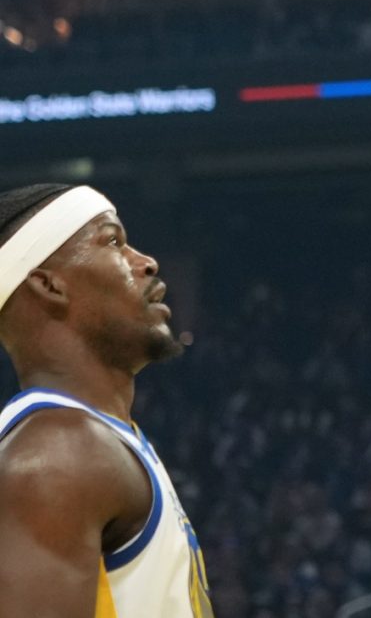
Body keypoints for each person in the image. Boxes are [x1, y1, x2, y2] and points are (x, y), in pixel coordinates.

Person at [0, 183, 213, 615]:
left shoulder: (92, 440)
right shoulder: (58, 453)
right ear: (48, 285)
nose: (147, 262)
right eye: (113, 242)